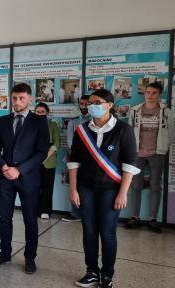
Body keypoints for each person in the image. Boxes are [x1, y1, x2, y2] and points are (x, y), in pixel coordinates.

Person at [67, 89, 139, 288]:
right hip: (86, 188)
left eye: (97, 102)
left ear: (110, 104)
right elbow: (73, 162)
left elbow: (130, 163)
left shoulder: (124, 130)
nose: (92, 106)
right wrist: (73, 190)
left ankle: (107, 274)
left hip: (111, 190)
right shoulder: (82, 130)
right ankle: (91, 271)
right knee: (89, 231)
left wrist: (123, 192)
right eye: (89, 103)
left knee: (107, 233)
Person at [0, 83, 49, 274]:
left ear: (30, 99)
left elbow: (41, 152)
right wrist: (4, 166)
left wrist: (19, 170)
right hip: (5, 177)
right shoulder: (3, 120)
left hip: (28, 179)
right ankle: (5, 252)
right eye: (14, 98)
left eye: (21, 98)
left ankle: (30, 257)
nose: (17, 102)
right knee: (4, 218)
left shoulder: (39, 122)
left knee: (30, 220)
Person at [126, 82, 172, 233]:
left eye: (154, 93)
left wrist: (163, 147)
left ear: (159, 95)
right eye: (148, 92)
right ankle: (135, 217)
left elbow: (172, 133)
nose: (150, 95)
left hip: (157, 153)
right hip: (137, 154)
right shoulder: (135, 111)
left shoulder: (166, 111)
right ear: (144, 93)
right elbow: (130, 132)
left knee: (155, 186)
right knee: (135, 186)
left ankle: (153, 219)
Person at [62, 94, 91, 222]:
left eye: (87, 104)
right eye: (82, 103)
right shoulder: (73, 122)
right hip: (76, 158)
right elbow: (70, 142)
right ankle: (75, 213)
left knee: (89, 187)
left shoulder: (96, 120)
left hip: (93, 159)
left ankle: (89, 214)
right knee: (74, 186)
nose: (84, 106)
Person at [34, 103, 59, 220]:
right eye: (37, 111)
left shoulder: (53, 125)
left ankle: (45, 210)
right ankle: (35, 209)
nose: (39, 114)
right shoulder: (30, 126)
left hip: (49, 160)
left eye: (42, 111)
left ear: (47, 113)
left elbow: (56, 143)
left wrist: (44, 157)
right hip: (33, 161)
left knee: (47, 187)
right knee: (35, 187)